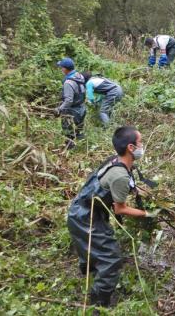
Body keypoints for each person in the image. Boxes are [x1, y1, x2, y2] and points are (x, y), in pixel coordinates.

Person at [67, 126, 161, 308]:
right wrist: (147, 213)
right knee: (111, 259)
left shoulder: (116, 162)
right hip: (85, 218)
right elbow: (120, 209)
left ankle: (92, 279)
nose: (143, 146)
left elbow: (123, 186)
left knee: (94, 251)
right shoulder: (120, 176)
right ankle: (99, 306)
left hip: (85, 212)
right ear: (131, 148)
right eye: (140, 142)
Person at [55, 58, 86, 149]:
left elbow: (69, 100)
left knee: (68, 132)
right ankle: (82, 148)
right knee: (79, 131)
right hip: (81, 108)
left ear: (65, 69)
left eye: (61, 67)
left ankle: (70, 149)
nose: (61, 69)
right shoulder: (79, 76)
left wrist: (59, 109)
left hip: (72, 111)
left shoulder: (68, 82)